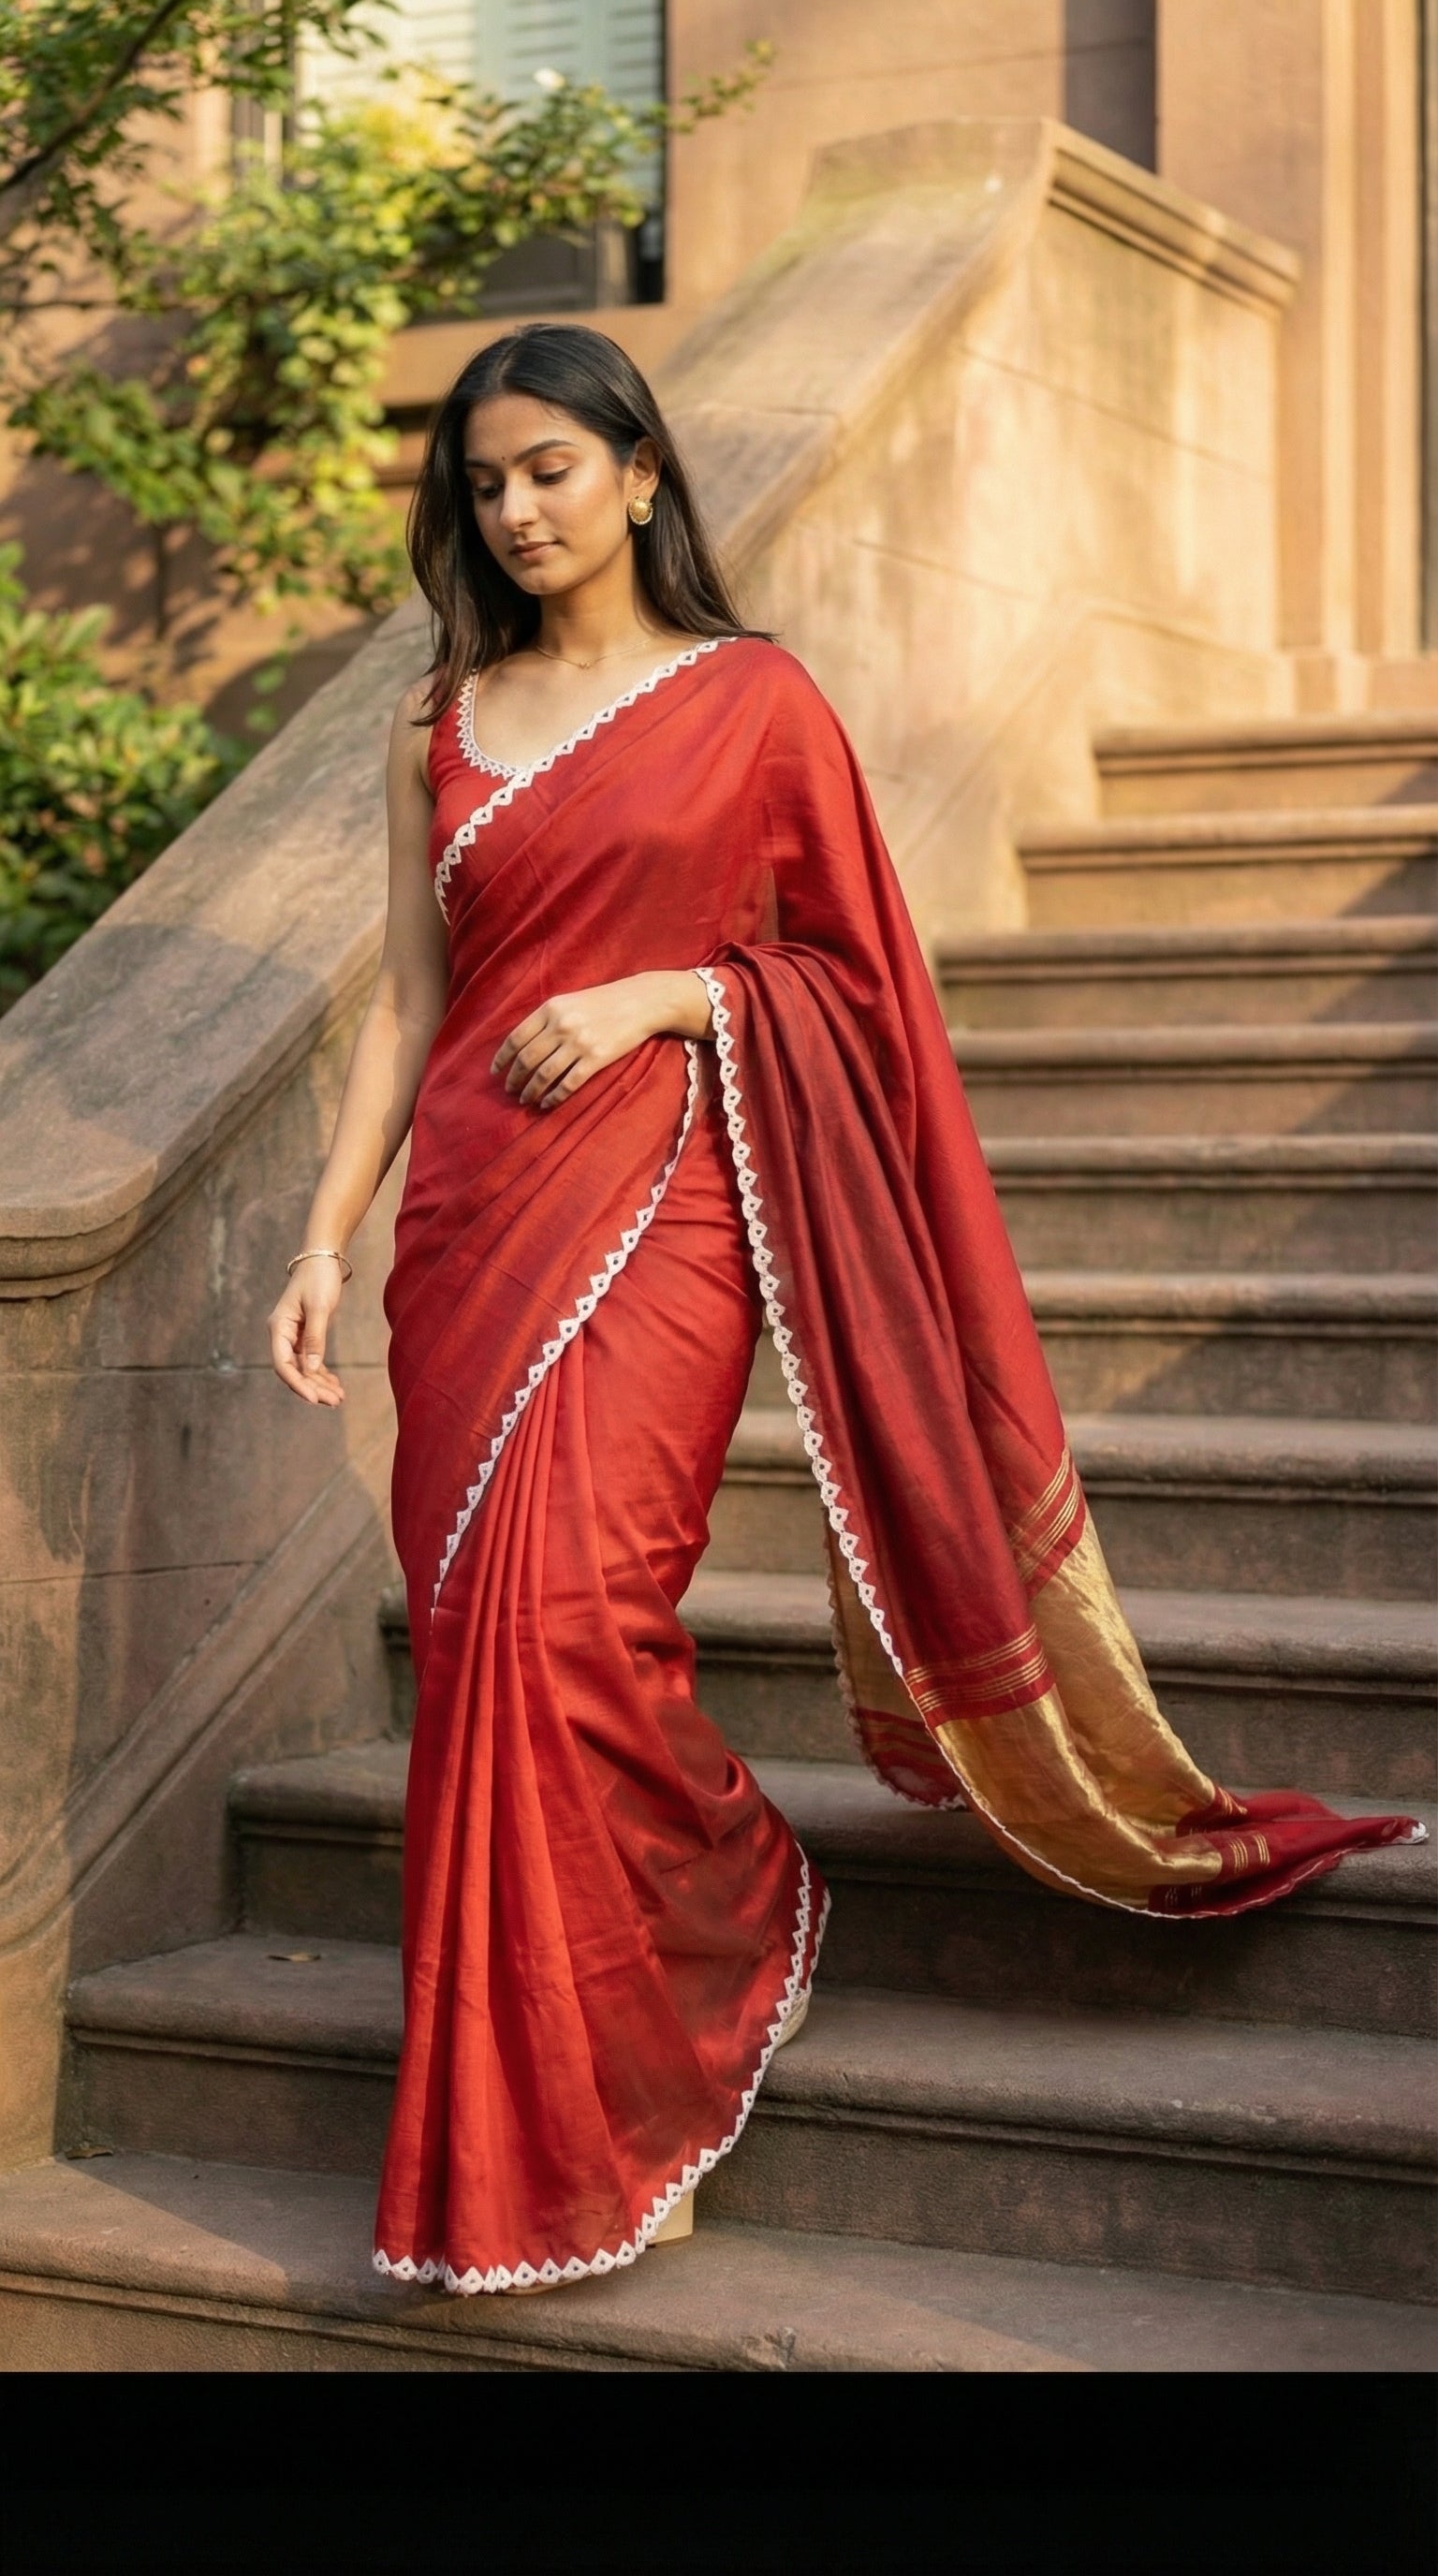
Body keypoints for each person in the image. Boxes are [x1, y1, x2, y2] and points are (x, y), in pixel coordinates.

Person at [268, 324, 1420, 2300]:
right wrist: (320, 1239)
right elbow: (407, 1000)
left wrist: (670, 994)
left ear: (641, 472)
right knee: (477, 1648)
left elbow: (862, 984)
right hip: (463, 1227)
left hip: (668, 1202)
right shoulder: (436, 722)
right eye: (485, 482)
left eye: (551, 467)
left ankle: (669, 2004)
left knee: (571, 1619)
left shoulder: (755, 701)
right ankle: (651, 1974)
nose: (517, 509)